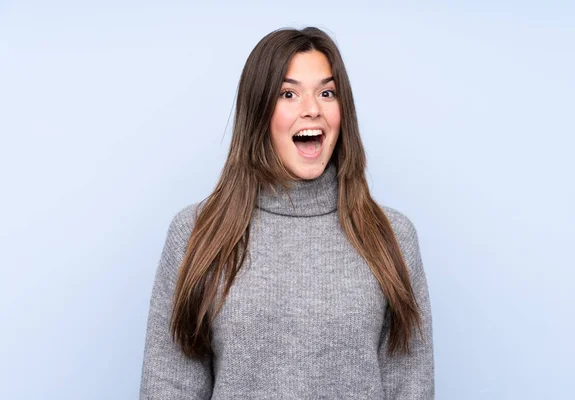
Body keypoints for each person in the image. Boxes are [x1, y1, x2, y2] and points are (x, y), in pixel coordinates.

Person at [139, 26, 434, 399]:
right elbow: (170, 384)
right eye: (288, 94)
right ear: (259, 111)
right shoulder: (197, 232)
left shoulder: (392, 235)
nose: (312, 109)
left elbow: (410, 384)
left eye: (327, 93)